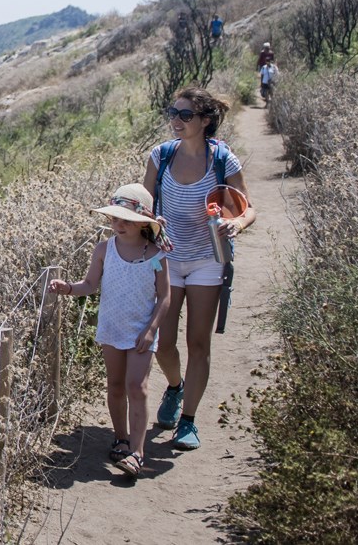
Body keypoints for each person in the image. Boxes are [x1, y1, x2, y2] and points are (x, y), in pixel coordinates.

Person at [145, 87, 255, 451]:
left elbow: (246, 208)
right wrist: (150, 225)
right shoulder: (159, 157)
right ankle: (175, 387)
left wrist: (236, 225)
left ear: (205, 121)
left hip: (209, 259)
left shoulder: (223, 160)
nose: (175, 121)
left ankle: (188, 420)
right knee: (163, 341)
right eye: (172, 113)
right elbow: (143, 210)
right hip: (168, 260)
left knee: (198, 343)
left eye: (185, 115)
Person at [49, 183, 175, 477]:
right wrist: (68, 288)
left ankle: (137, 452)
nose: (118, 225)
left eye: (125, 219)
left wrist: (151, 329)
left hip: (142, 330)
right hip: (112, 327)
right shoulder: (104, 249)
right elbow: (90, 284)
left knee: (137, 387)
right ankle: (120, 438)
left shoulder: (157, 255)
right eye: (115, 219)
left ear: (143, 222)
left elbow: (165, 296)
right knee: (116, 386)